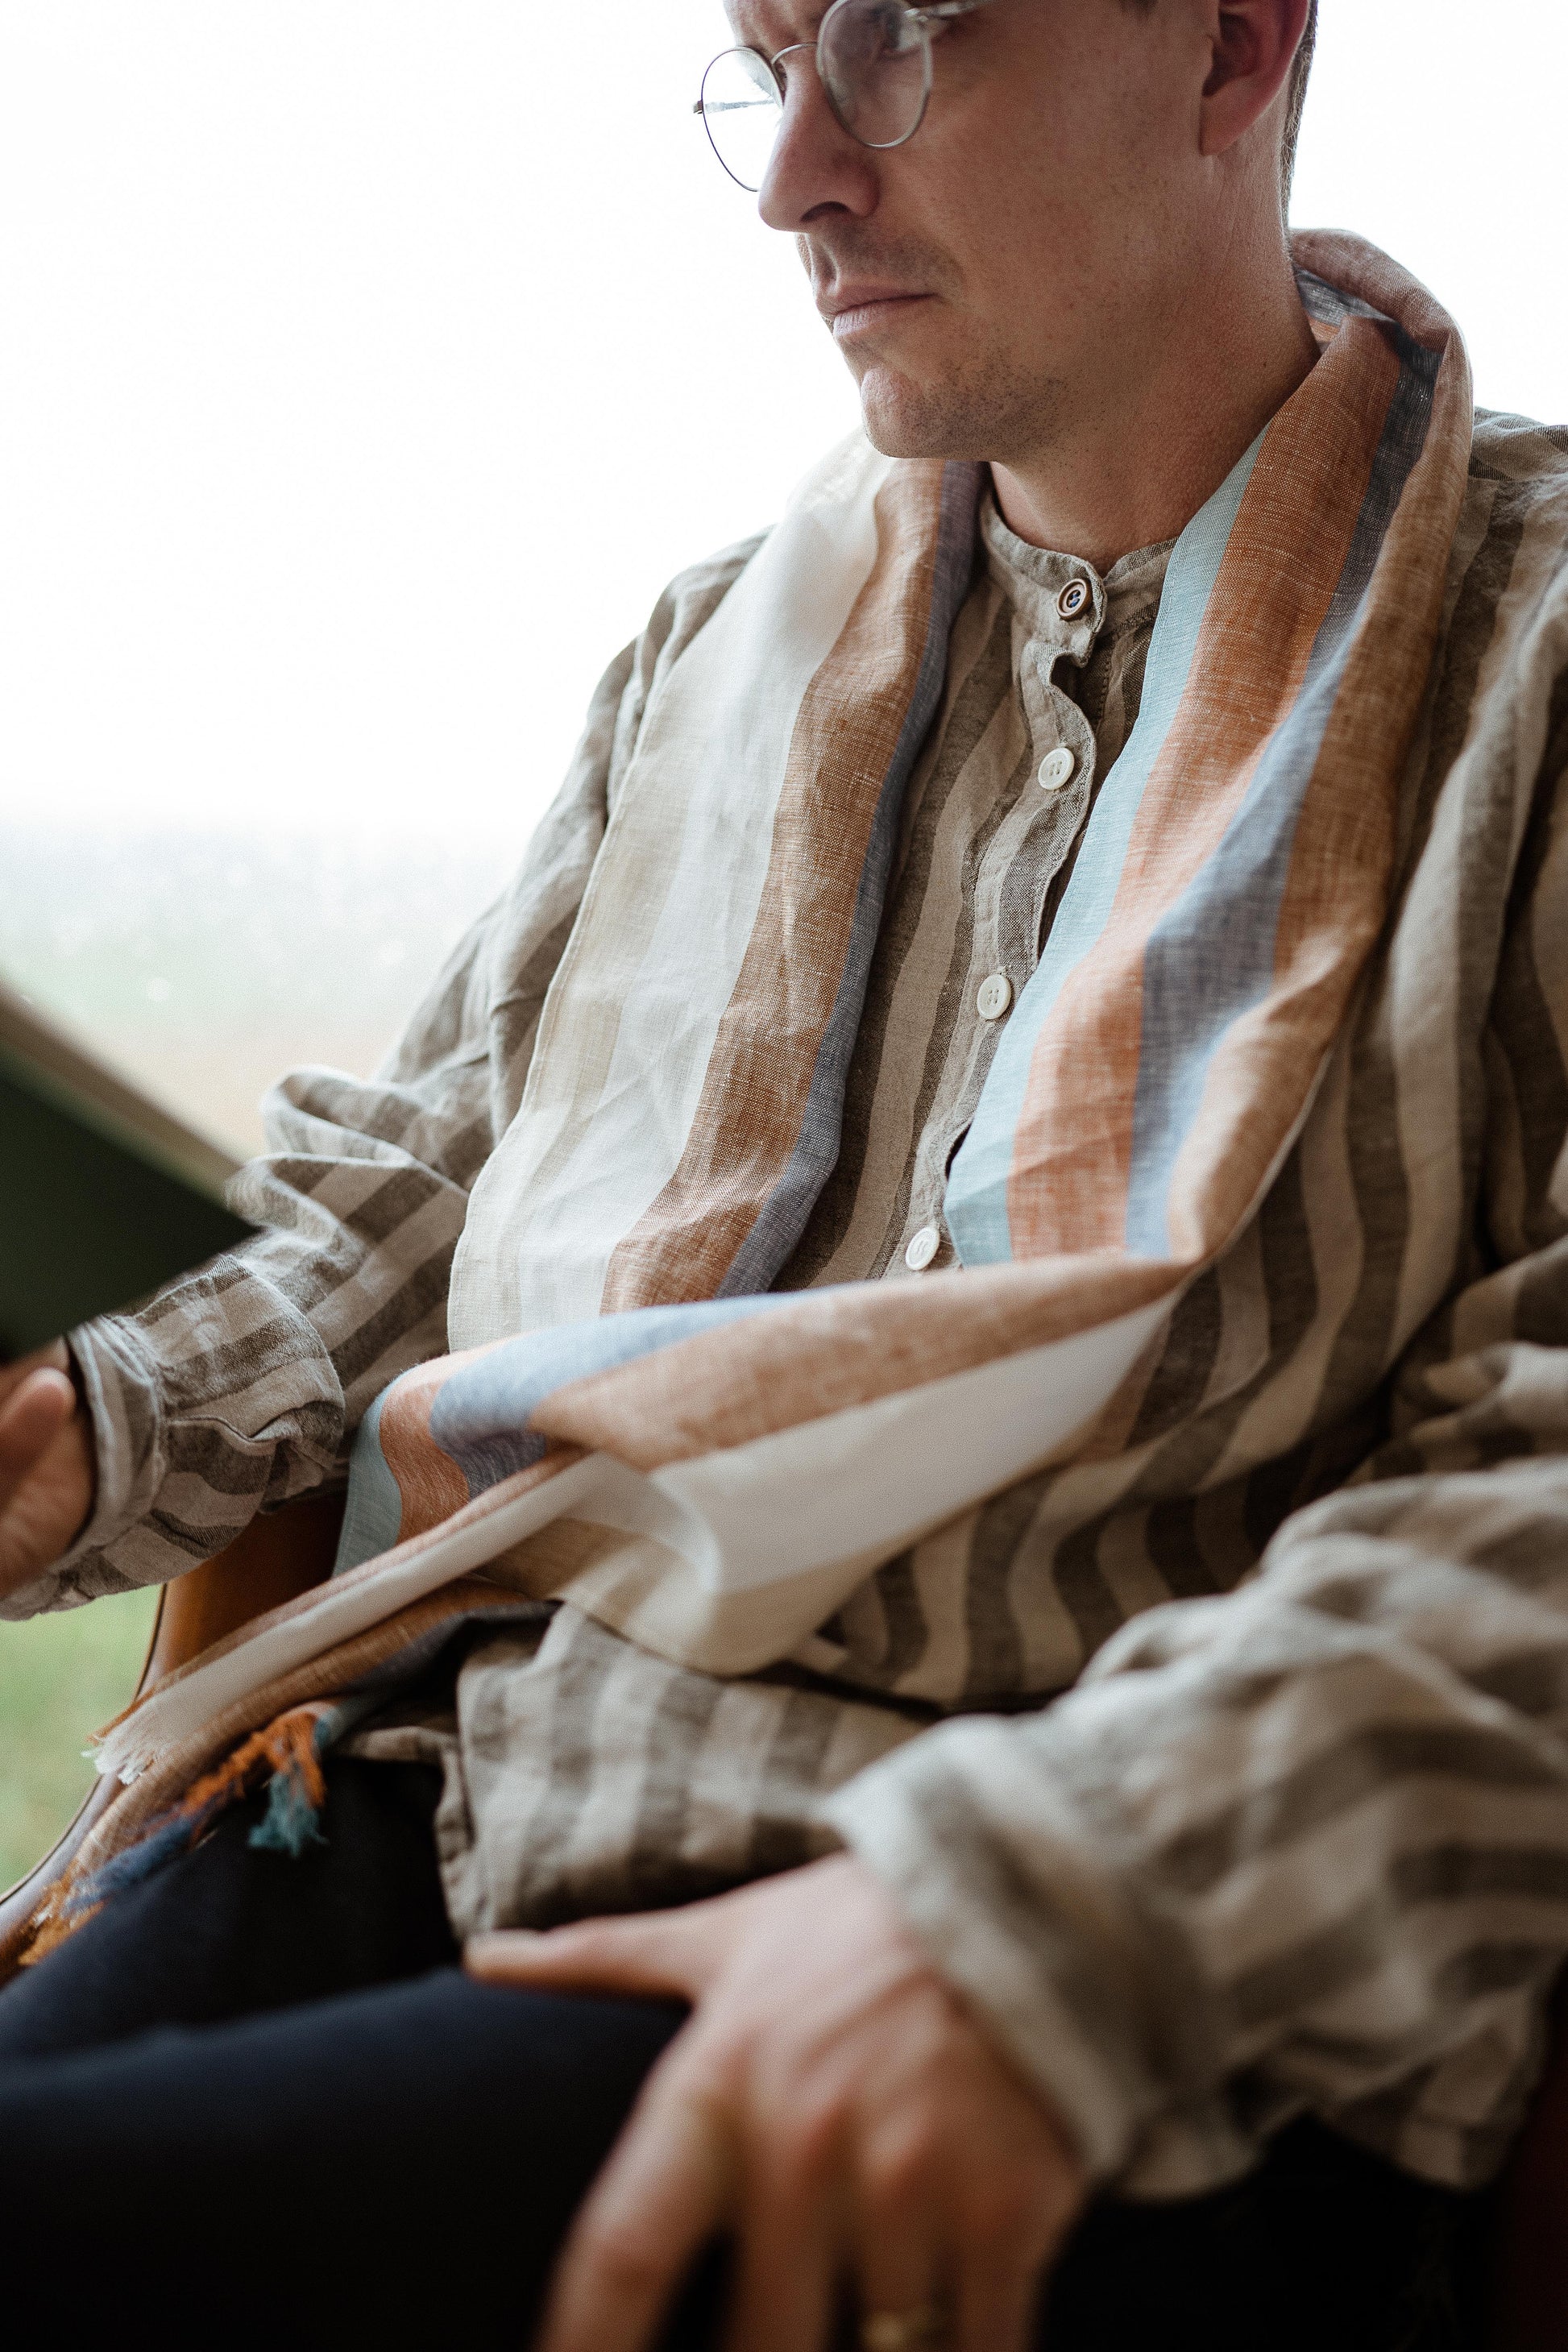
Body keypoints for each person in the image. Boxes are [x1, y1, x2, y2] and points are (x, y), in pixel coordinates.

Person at [1, 1, 1565, 2346]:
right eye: (760, 59)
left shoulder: (1528, 662)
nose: (793, 178)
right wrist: (79, 1418)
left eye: (901, 35)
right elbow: (419, 1207)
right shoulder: (712, 650)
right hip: (455, 1798)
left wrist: (1040, 1909)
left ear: (1232, 48)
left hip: (1047, 1987)